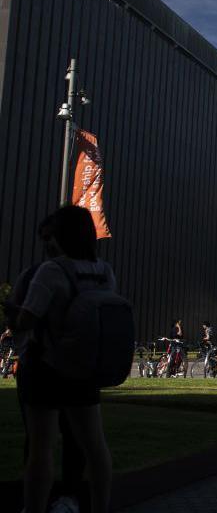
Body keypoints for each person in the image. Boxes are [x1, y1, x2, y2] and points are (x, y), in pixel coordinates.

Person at [14, 206, 114, 513]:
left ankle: (34, 508)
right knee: (95, 446)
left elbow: (26, 320)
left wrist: (12, 315)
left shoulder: (52, 271)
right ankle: (99, 507)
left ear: (60, 235)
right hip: (84, 369)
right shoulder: (103, 271)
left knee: (42, 447)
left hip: (46, 367)